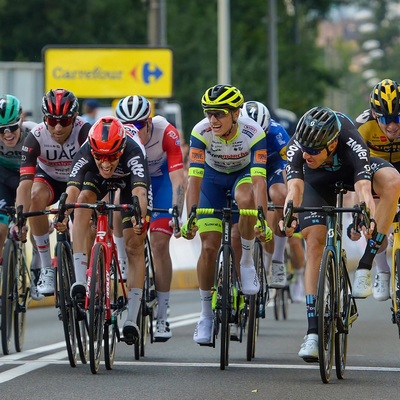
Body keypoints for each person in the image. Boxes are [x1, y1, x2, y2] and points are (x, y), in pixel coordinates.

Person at [279, 105, 400, 362]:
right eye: (305, 149)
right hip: (315, 181)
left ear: (332, 144)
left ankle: (367, 266)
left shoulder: (350, 138)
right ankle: (312, 333)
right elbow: (294, 190)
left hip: (349, 172)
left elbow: (364, 188)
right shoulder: (300, 147)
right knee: (314, 241)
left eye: (313, 150)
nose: (307, 153)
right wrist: (288, 218)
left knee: (392, 180)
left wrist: (365, 214)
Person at [181, 84, 271, 345]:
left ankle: (245, 265)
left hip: (242, 176)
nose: (213, 119)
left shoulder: (253, 132)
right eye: (209, 113)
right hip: (211, 180)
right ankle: (206, 315)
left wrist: (262, 218)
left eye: (219, 113)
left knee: (246, 200)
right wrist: (191, 216)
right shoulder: (201, 132)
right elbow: (194, 179)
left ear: (236, 112)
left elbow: (259, 182)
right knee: (209, 247)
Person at [65, 116, 151, 343]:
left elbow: (140, 194)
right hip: (97, 181)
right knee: (83, 200)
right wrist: (64, 212)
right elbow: (72, 189)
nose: (105, 162)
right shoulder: (87, 151)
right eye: (100, 156)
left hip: (129, 181)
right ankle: (81, 281)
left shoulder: (133, 151)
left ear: (121, 149)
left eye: (111, 156)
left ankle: (132, 317)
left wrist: (137, 218)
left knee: (134, 243)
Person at [115, 95, 185, 342]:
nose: (132, 131)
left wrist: (176, 211)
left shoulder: (166, 131)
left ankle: (163, 315)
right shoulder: (119, 136)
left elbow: (178, 179)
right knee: (116, 206)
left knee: (158, 243)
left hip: (160, 181)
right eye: (127, 126)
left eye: (138, 126)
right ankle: (123, 259)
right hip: (133, 182)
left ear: (148, 123)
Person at [15, 88, 91, 297]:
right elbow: (24, 184)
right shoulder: (36, 136)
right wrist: (20, 217)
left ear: (74, 119)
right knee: (34, 197)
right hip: (49, 179)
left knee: (88, 220)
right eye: (51, 120)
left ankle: (85, 273)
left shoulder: (85, 132)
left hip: (80, 180)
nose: (57, 127)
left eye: (64, 121)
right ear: (44, 118)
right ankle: (47, 267)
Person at [353, 78, 400, 300]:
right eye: (385, 119)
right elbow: (355, 168)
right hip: (375, 169)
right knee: (376, 218)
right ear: (374, 115)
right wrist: (358, 208)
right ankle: (382, 269)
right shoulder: (362, 126)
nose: (392, 125)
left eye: (398, 118)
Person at [241, 100, 290, 288]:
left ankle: (277, 261)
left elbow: (289, 165)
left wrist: (289, 198)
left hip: (273, 167)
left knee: (279, 195)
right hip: (249, 167)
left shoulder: (278, 132)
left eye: (264, 132)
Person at [0, 95, 37, 276]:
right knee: (0, 228)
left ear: (21, 120)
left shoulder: (34, 132)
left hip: (29, 178)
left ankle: (38, 267)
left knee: (37, 222)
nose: (7, 134)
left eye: (12, 127)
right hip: (5, 180)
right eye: (1, 130)